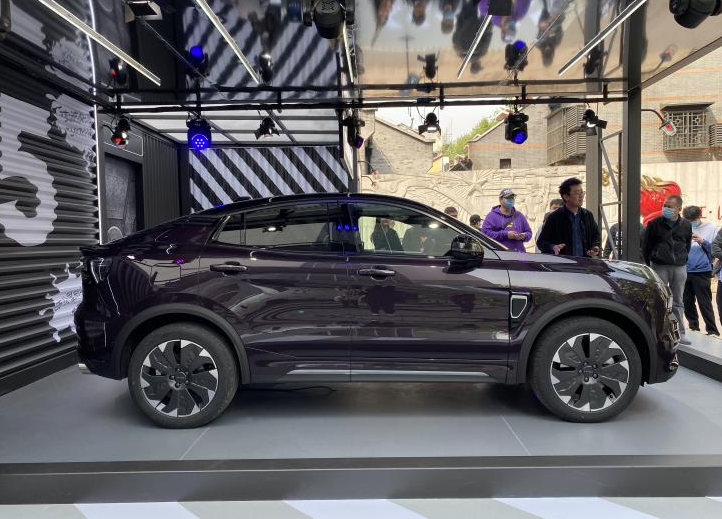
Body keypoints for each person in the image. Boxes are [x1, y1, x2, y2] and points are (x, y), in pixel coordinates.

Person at [642, 195, 692, 345]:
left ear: (679, 209)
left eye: (670, 206)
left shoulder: (686, 225)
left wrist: (682, 259)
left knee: (678, 300)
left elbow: (687, 244)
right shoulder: (654, 223)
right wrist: (651, 262)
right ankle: (658, 332)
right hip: (659, 266)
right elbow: (646, 246)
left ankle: (680, 332)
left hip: (679, 267)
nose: (665, 208)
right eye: (665, 205)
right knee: (659, 299)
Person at [537, 178, 601, 258]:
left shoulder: (587, 215)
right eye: (577, 193)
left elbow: (596, 235)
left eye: (582, 192)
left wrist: (595, 247)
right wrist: (553, 247)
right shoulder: (554, 217)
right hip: (564, 263)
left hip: (585, 262)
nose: (581, 196)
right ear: (566, 197)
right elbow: (541, 242)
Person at [681, 206, 719, 336]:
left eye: (693, 220)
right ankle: (693, 327)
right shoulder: (683, 227)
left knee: (704, 302)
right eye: (688, 220)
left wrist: (703, 241)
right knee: (687, 302)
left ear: (699, 216)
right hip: (685, 270)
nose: (691, 222)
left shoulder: (711, 229)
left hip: (702, 271)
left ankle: (712, 330)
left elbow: (715, 250)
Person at [481, 188, 532, 253]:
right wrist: (506, 235)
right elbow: (485, 234)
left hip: (519, 255)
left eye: (512, 198)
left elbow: (529, 233)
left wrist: (523, 236)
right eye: (508, 198)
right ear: (500, 200)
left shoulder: (519, 216)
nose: (511, 200)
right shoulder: (491, 216)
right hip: (501, 255)